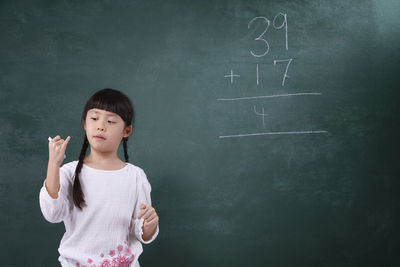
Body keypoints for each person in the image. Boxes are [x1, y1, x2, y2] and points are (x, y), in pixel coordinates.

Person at [39, 88, 159, 267]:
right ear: (85, 124)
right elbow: (52, 213)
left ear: (126, 131)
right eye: (94, 118)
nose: (101, 126)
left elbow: (140, 230)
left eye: (110, 121)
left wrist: (149, 227)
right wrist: (53, 165)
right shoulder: (69, 172)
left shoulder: (135, 176)